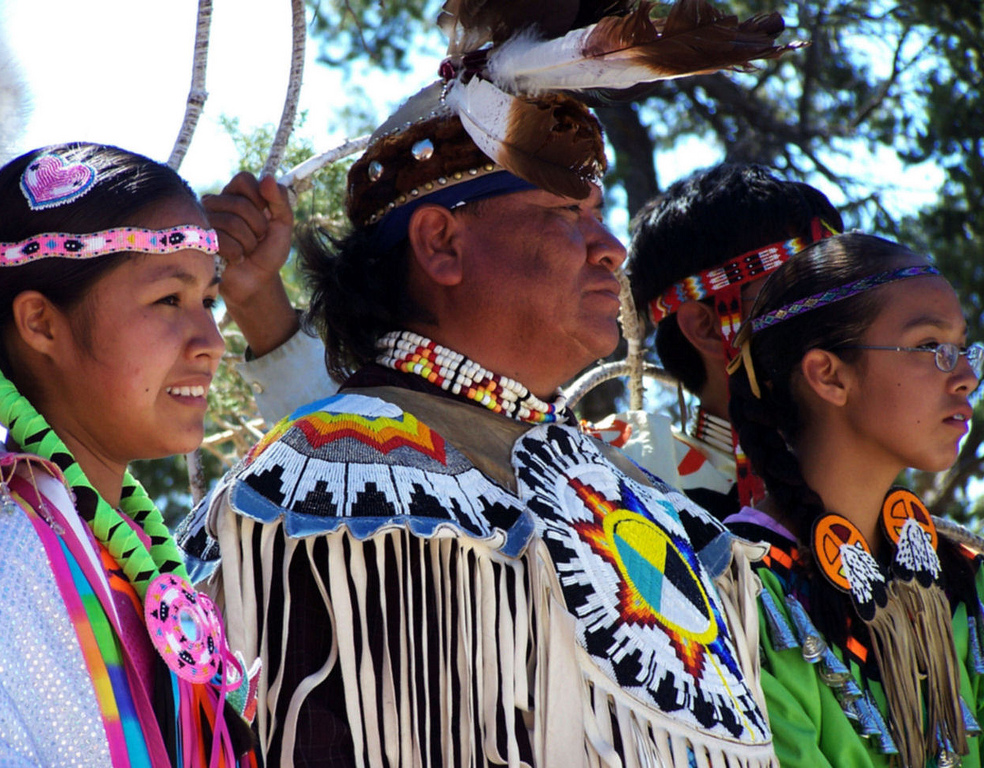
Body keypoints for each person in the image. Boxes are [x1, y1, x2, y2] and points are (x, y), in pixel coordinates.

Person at [188, 2, 807, 765]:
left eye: (602, 214)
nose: (612, 248)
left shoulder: (650, 502)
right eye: (563, 213)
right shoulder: (321, 484)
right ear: (442, 243)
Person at [0, 143, 258, 767]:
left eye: (209, 300)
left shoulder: (113, 543)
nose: (211, 342)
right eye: (168, 300)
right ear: (41, 323)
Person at [722, 232, 984, 767]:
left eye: (965, 348)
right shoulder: (739, 595)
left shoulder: (965, 578)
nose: (966, 378)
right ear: (828, 375)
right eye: (931, 348)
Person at [591, 163, 844, 518]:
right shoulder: (622, 470)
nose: (843, 313)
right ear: (707, 328)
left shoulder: (890, 511)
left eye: (841, 289)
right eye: (802, 291)